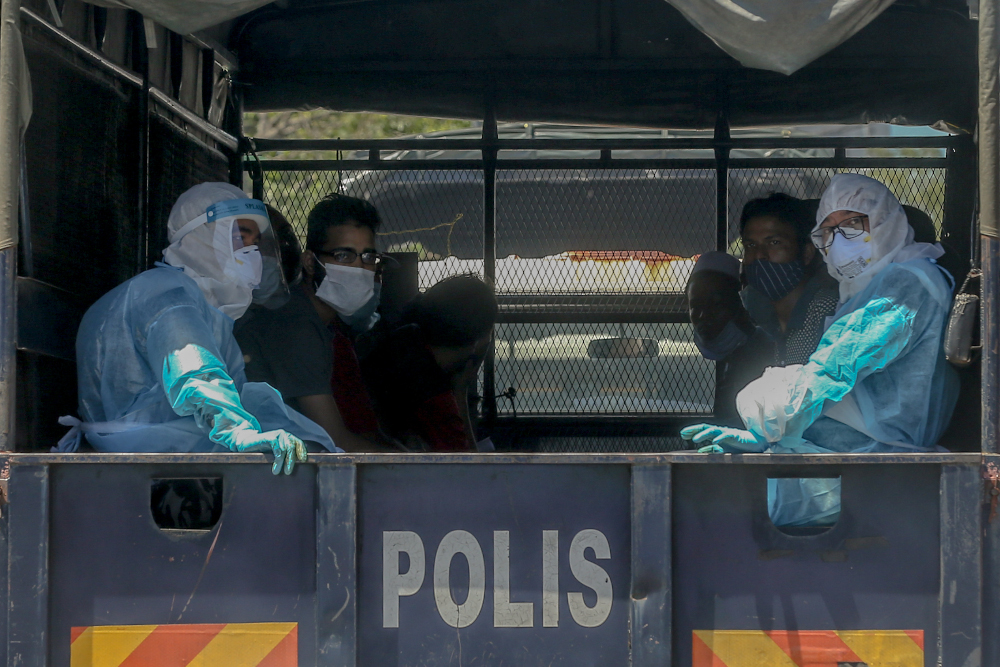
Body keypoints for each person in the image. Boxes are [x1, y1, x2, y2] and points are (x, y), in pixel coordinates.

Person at [682, 174, 959, 527]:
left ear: (885, 221)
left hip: (878, 461)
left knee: (723, 513)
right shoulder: (861, 291)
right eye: (828, 230)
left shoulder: (906, 283)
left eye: (852, 224)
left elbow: (832, 370)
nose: (839, 239)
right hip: (850, 455)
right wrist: (770, 438)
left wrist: (766, 422)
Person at [59, 183, 338, 474]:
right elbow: (196, 374)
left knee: (312, 446)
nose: (252, 253)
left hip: (174, 443)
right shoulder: (166, 293)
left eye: (255, 242)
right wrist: (238, 432)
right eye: (241, 238)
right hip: (142, 447)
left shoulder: (211, 312)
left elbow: (235, 391)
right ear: (203, 237)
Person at [236, 194, 397, 452]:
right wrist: (417, 464)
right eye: (344, 256)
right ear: (311, 262)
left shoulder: (317, 322)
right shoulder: (298, 327)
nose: (359, 268)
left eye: (367, 257)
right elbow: (336, 441)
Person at [364, 274, 497, 452]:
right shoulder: (433, 394)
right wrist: (461, 391)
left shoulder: (404, 339)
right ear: (478, 342)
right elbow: (465, 466)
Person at [740, 193, 840, 365]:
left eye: (774, 243)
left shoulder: (828, 311)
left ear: (807, 253)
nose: (759, 255)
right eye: (750, 245)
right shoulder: (756, 312)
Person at [687, 251, 775, 426]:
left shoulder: (760, 352)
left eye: (716, 305)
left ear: (739, 304)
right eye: (696, 306)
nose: (704, 315)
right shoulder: (734, 353)